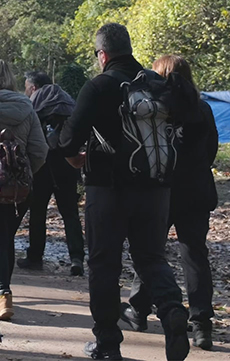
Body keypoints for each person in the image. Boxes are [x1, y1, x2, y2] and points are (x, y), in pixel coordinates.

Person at [58, 23, 190, 361]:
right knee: (151, 258)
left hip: (108, 191)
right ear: (129, 48)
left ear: (102, 55)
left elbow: (68, 140)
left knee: (104, 265)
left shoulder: (99, 86)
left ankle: (107, 343)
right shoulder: (158, 85)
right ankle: (173, 309)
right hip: (156, 190)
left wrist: (76, 158)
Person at [119, 55, 218, 351]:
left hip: (161, 190)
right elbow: (210, 149)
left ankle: (138, 309)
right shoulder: (203, 109)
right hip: (197, 191)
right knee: (195, 254)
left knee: (150, 252)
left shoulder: (159, 109)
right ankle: (202, 324)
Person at [0, 59, 48, 321]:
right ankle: (5, 292)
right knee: (6, 238)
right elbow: (40, 150)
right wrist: (24, 175)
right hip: (20, 189)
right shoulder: (27, 108)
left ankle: (3, 293)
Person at [17, 71, 85, 276]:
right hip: (66, 161)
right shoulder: (66, 100)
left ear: (34, 88)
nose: (26, 92)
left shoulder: (35, 103)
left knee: (38, 211)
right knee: (70, 212)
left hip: (42, 165)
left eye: (27, 87)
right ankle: (77, 258)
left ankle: (35, 256)